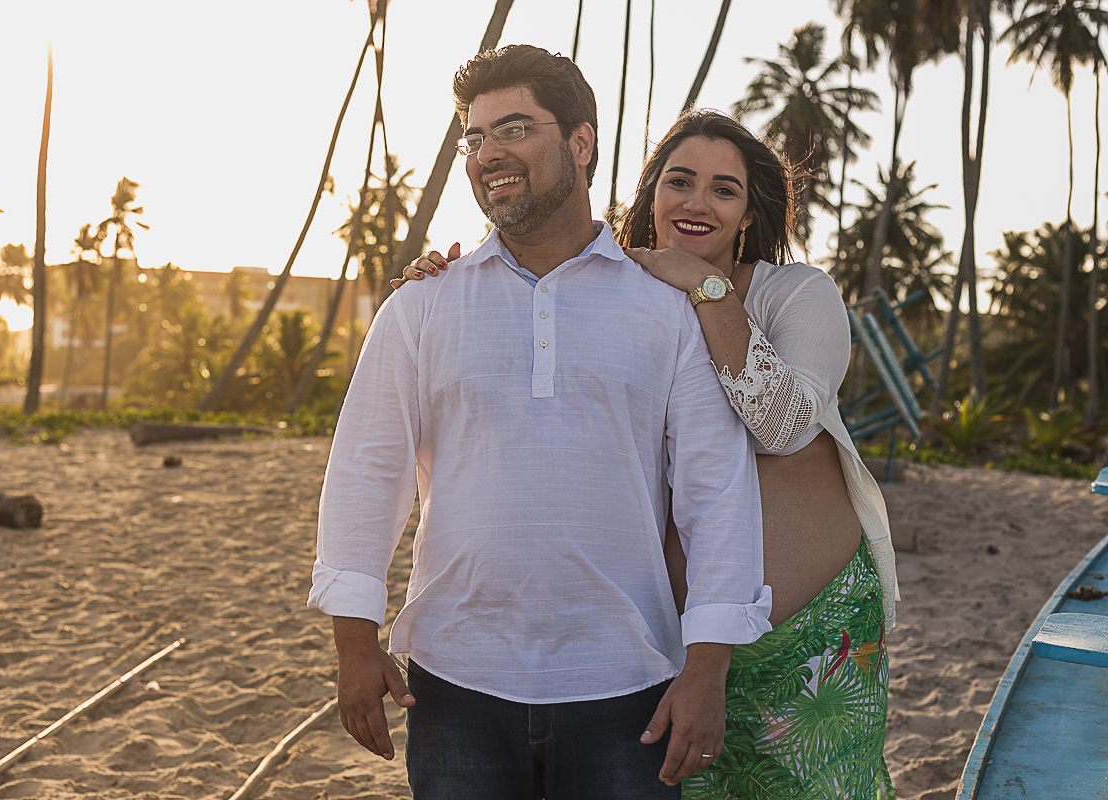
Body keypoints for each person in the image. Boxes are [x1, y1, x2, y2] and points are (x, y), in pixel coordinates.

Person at [307, 46, 772, 800]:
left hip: (629, 685)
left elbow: (716, 490)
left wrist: (707, 668)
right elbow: (366, 469)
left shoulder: (665, 311)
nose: (488, 152)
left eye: (514, 128)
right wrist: (354, 641)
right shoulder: (422, 305)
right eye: (474, 136)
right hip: (454, 681)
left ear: (580, 143)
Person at [400, 110, 898, 799]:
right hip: (670, 648)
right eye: (679, 182)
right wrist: (443, 280)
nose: (698, 203)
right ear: (652, 195)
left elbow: (781, 426)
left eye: (724, 190)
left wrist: (706, 287)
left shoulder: (796, 294)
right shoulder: (614, 292)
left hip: (811, 634)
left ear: (749, 215)